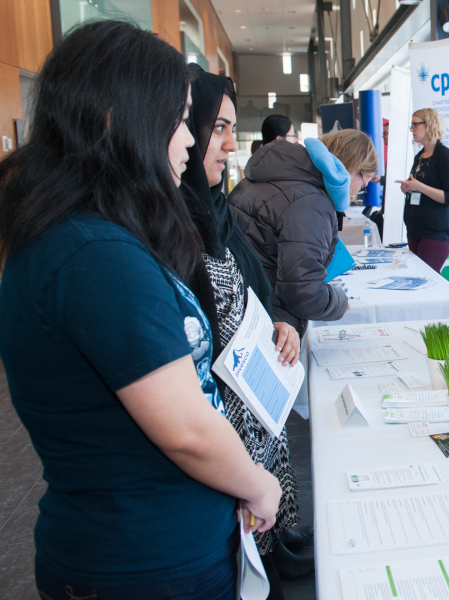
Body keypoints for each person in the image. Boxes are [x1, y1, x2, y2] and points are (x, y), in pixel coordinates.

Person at [0, 21, 282, 599]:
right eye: (177, 122)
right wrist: (256, 484)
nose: (189, 142)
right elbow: (186, 430)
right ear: (115, 119)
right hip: (145, 564)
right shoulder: (94, 254)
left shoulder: (91, 237)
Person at [179, 64, 312, 589]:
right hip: (222, 427)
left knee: (266, 533)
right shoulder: (168, 224)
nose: (231, 145)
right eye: (219, 128)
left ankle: (277, 544)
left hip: (255, 400)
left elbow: (252, 287)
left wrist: (282, 323)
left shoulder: (216, 210)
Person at [229, 128, 378, 337]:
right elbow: (304, 294)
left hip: (244, 306)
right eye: (362, 185)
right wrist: (338, 301)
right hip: (272, 322)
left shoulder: (274, 174)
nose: (356, 193)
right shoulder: (312, 202)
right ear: (353, 169)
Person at [396, 108, 449, 273]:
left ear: (429, 125)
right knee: (413, 278)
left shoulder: (446, 157)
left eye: (415, 125)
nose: (412, 129)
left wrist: (419, 187)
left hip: (436, 230)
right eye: (411, 126)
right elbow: (418, 187)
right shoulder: (419, 156)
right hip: (415, 226)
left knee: (425, 279)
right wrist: (408, 188)